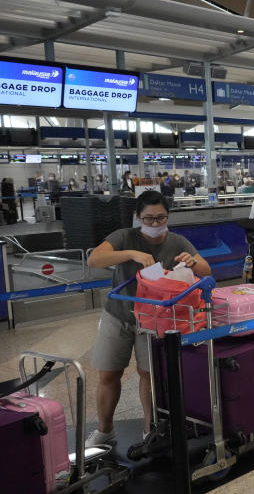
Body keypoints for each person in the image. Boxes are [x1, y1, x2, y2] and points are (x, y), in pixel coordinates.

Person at [85, 191, 211, 446]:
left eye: (160, 218)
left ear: (168, 216)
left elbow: (206, 269)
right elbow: (94, 259)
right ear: (137, 217)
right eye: (149, 218)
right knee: (108, 373)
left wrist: (191, 262)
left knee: (148, 375)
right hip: (118, 315)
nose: (155, 224)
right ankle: (104, 430)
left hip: (154, 321)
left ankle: (150, 430)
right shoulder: (124, 236)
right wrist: (130, 254)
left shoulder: (177, 241)